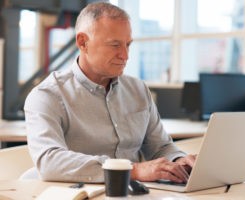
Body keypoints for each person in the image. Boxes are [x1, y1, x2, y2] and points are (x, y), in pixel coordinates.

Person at [24, 2, 196, 183]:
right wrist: (131, 170)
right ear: (83, 42)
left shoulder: (138, 90)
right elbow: (50, 161)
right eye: (115, 45)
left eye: (127, 45)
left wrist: (179, 161)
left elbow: (160, 147)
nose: (125, 55)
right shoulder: (47, 96)